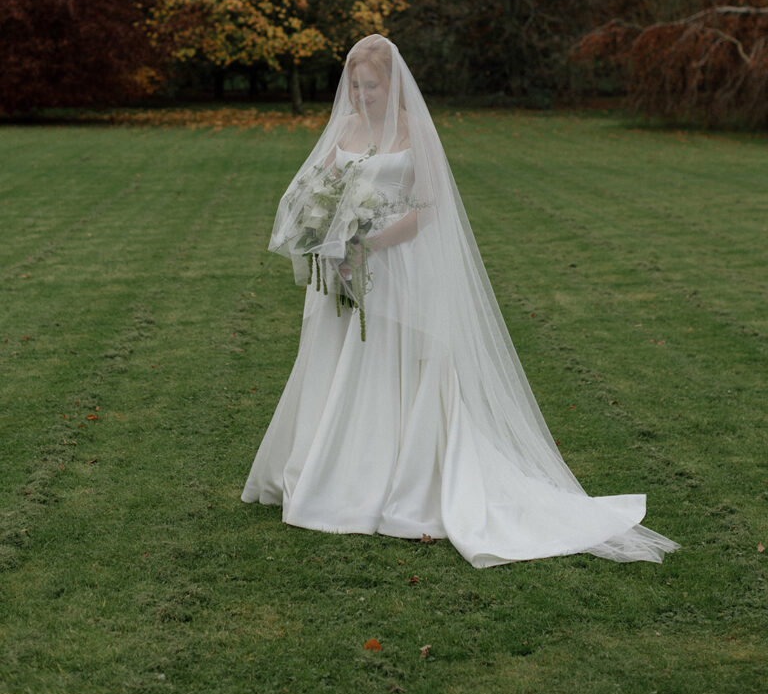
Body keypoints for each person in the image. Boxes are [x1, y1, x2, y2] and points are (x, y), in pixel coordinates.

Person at [241, 34, 678, 568]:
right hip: (347, 269)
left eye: (371, 86)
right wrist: (327, 232)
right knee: (339, 363)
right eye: (355, 86)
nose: (361, 96)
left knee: (394, 366)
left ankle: (399, 478)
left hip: (396, 266)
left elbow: (429, 206)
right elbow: (319, 188)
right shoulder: (347, 128)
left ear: (392, 84)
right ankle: (332, 470)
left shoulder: (414, 130)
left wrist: (369, 242)